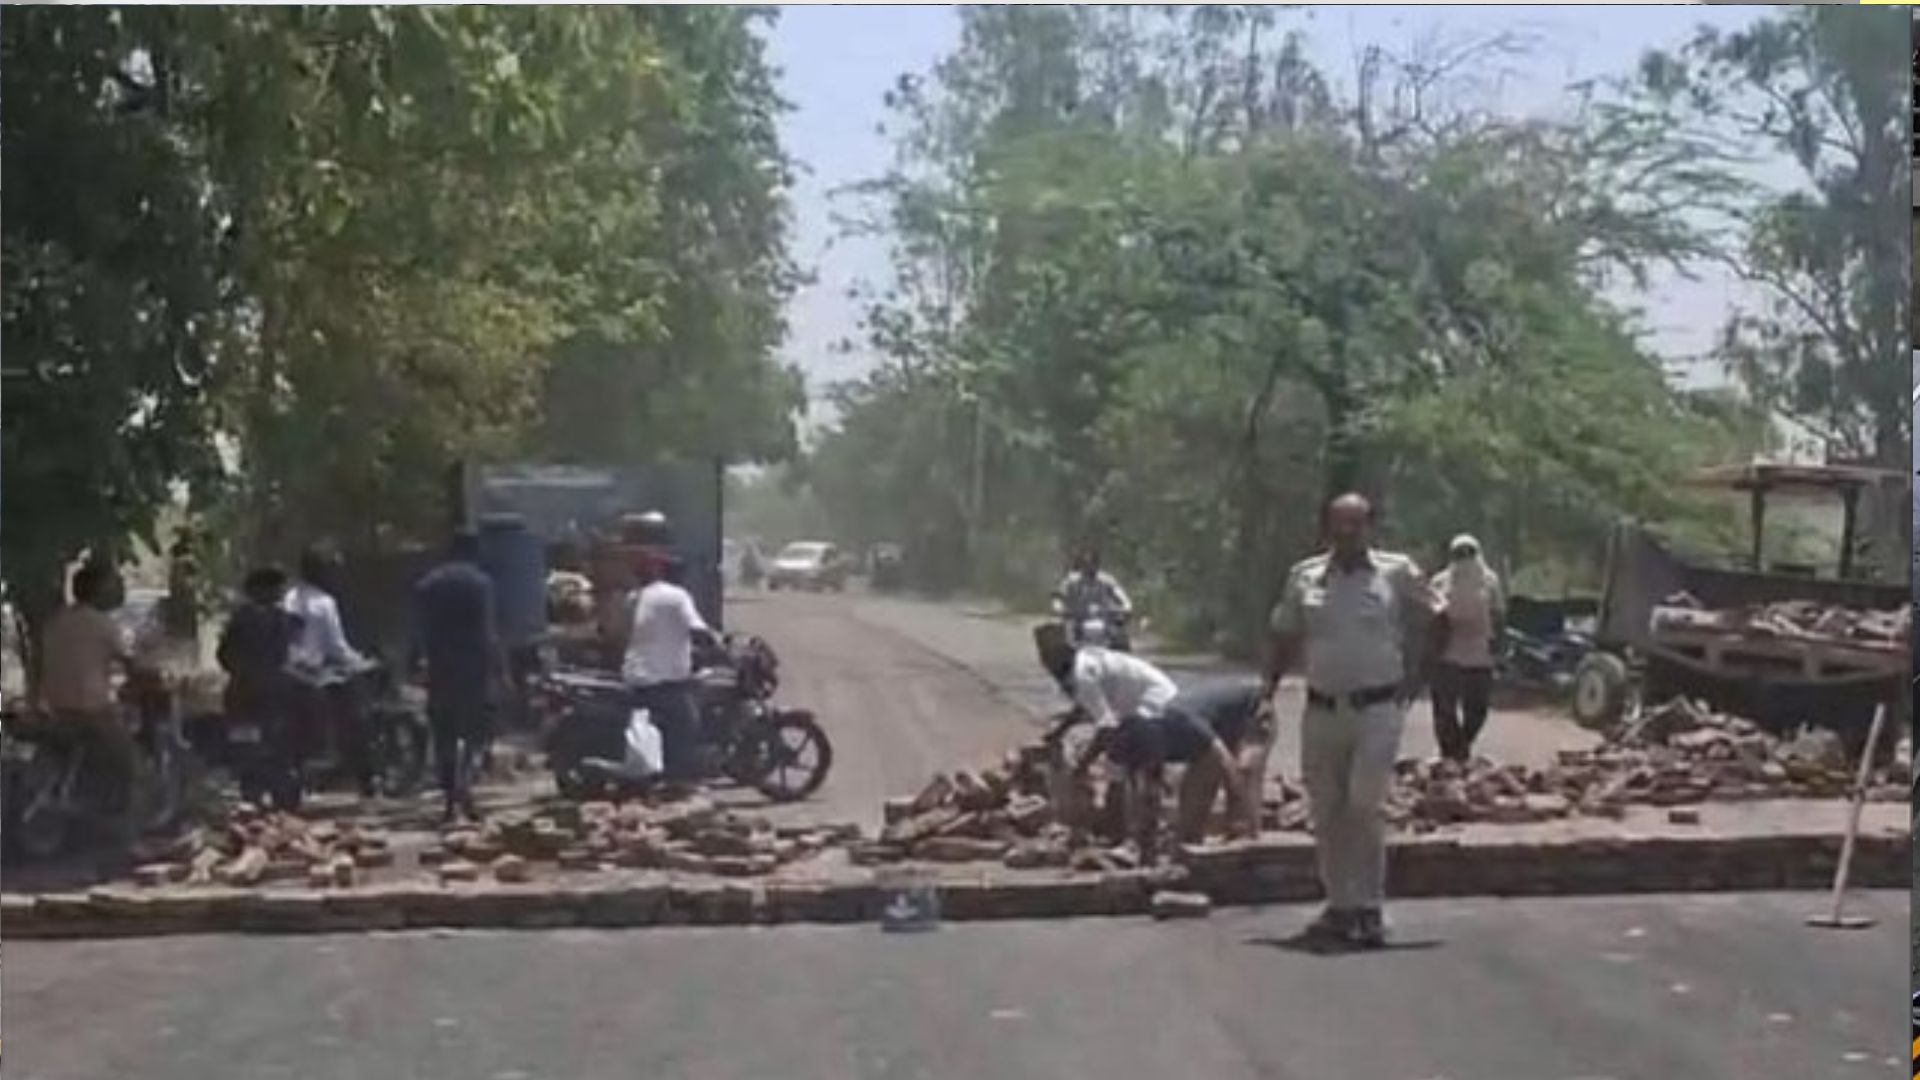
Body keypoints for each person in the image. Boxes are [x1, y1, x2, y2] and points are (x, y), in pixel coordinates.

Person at [1263, 492, 1434, 949]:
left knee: (1364, 802)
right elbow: (1283, 634)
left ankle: (1370, 907)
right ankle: (1339, 905)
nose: (1346, 534)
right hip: (1321, 708)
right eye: (1338, 525)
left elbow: (1438, 618)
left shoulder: (1397, 573)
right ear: (1326, 529)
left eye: (1355, 525)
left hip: (1378, 708)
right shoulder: (1304, 577)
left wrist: (1418, 675)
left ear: (1370, 528)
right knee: (1327, 809)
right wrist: (1266, 694)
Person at [1103, 679, 1267, 863]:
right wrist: (1139, 837)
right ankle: (1190, 843)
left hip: (1253, 712)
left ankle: (1248, 845)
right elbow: (1142, 792)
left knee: (1241, 771)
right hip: (1215, 727)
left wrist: (1239, 811)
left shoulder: (1182, 724)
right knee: (1189, 810)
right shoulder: (1127, 741)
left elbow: (1227, 765)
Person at [37, 562, 140, 826]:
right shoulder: (101, 624)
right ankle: (115, 819)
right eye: (111, 586)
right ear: (98, 591)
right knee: (126, 759)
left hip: (53, 709)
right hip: (88, 710)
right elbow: (129, 662)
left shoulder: (57, 621)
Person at [414, 530, 503, 825]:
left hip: (440, 668)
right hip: (473, 668)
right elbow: (486, 631)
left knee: (444, 735)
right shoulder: (480, 584)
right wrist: (498, 668)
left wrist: (418, 663)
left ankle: (451, 800)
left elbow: (420, 631)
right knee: (478, 733)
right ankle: (464, 786)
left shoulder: (429, 584)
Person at [285, 543, 375, 796]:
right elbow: (336, 647)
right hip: (315, 674)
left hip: (289, 673)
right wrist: (361, 662)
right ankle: (363, 777)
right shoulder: (324, 603)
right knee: (356, 719)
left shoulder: (289, 598)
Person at [621, 551, 712, 793]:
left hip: (635, 673)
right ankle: (678, 780)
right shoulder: (677, 596)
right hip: (659, 679)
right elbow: (697, 629)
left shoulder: (635, 597)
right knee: (688, 723)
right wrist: (717, 643)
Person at [218, 567, 303, 810]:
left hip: (245, 691)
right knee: (278, 744)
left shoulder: (239, 620)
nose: (279, 592)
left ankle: (254, 791)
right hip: (273, 693)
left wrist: (241, 671)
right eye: (275, 587)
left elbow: (223, 656)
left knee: (250, 745)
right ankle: (279, 791)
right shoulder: (286, 621)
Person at [1429, 534, 1503, 764]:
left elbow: (1498, 613)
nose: (1465, 558)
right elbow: (1430, 617)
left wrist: (1498, 646)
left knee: (1478, 710)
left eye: (1469, 552)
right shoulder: (1440, 581)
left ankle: (1461, 745)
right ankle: (1449, 755)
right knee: (1444, 709)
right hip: (1447, 653)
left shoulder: (1490, 581)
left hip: (1479, 652)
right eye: (1459, 553)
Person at [1051, 548, 1134, 647]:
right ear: (1081, 566)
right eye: (1086, 564)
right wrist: (1058, 608)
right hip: (1077, 618)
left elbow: (1121, 595)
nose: (1089, 567)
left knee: (1120, 638)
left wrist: (1126, 607)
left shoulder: (1107, 580)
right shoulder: (1071, 580)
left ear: (1097, 565)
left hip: (1104, 618)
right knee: (1065, 638)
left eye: (1092, 564)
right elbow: (1059, 596)